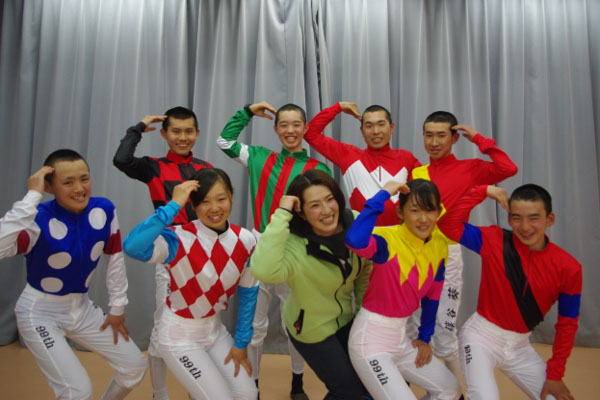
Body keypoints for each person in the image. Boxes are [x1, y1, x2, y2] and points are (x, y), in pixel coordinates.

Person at [0, 149, 147, 399]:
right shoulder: (36, 219)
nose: (79, 188)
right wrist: (32, 196)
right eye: (68, 182)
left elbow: (114, 257)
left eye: (84, 179)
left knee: (135, 366)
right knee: (77, 391)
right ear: (49, 187)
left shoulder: (104, 209)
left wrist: (117, 307)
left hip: (82, 309)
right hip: (39, 313)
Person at [217, 101, 331, 398]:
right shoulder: (258, 157)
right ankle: (253, 385)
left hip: (297, 252)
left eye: (296, 124)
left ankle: (297, 383)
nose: (290, 130)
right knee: (255, 324)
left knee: (296, 323)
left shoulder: (317, 169)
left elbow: (325, 215)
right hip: (259, 247)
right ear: (275, 128)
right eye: (284, 124)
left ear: (305, 128)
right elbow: (224, 141)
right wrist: (246, 112)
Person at [123, 168, 259, 400]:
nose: (214, 208)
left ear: (232, 197)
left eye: (221, 199)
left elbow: (248, 292)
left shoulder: (246, 240)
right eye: (204, 202)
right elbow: (133, 246)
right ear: (193, 206)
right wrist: (172, 206)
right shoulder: (177, 238)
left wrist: (241, 341)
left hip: (215, 331)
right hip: (178, 336)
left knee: (248, 394)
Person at [437, 184, 581, 400]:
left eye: (534, 218)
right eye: (517, 218)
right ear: (509, 218)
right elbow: (447, 225)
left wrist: (555, 374)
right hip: (479, 338)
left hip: (520, 348)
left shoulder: (569, 268)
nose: (525, 227)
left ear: (549, 219)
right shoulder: (493, 240)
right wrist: (482, 191)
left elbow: (567, 325)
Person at [407, 111, 518, 380]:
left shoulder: (470, 168)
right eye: (429, 135)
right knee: (413, 327)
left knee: (444, 332)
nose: (434, 142)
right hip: (415, 253)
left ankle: (456, 392)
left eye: (441, 135)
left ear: (454, 138)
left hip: (447, 254)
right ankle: (425, 387)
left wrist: (479, 139)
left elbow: (508, 168)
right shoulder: (417, 173)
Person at [113, 107, 212, 400]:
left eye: (189, 131)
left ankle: (197, 391)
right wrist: (138, 128)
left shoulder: (205, 168)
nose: (183, 137)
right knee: (162, 328)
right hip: (170, 256)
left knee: (201, 327)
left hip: (203, 257)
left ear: (197, 133)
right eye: (176, 131)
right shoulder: (153, 167)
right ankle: (160, 393)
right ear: (165, 134)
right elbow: (121, 160)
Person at [250, 169, 372, 400]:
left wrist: (362, 317)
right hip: (310, 329)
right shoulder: (294, 244)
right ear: (302, 214)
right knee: (348, 391)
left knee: (368, 381)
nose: (326, 210)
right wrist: (282, 212)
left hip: (347, 320)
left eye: (329, 199)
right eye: (315, 205)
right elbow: (262, 270)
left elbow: (365, 270)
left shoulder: (355, 221)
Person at [345, 179, 461, 400]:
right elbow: (354, 241)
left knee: (451, 389)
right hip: (370, 342)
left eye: (430, 210)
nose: (423, 218)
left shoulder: (439, 244)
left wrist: (425, 337)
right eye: (415, 210)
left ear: (438, 212)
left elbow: (433, 295)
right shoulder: (387, 239)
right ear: (400, 212)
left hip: (402, 340)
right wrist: (383, 195)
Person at [304, 102, 421, 226]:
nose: (375, 131)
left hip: (400, 235)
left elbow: (423, 195)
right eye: (369, 126)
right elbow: (310, 134)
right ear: (362, 130)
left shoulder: (406, 158)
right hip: (363, 236)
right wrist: (339, 107)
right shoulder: (348, 156)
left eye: (381, 124)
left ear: (391, 127)